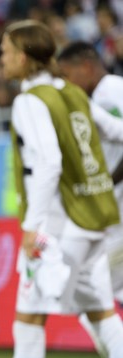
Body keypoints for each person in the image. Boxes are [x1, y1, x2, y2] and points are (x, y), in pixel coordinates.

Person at [0, 20, 123, 358]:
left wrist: (32, 229)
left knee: (28, 325)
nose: (0, 59)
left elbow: (48, 163)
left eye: (5, 52)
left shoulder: (30, 101)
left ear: (23, 57)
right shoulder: (70, 92)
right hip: (93, 221)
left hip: (57, 228)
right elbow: (116, 130)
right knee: (104, 317)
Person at [57, 40, 123, 307]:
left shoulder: (112, 91)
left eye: (66, 75)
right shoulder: (94, 100)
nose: (66, 83)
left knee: (100, 283)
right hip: (111, 208)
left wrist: (108, 181)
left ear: (85, 66)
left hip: (116, 206)